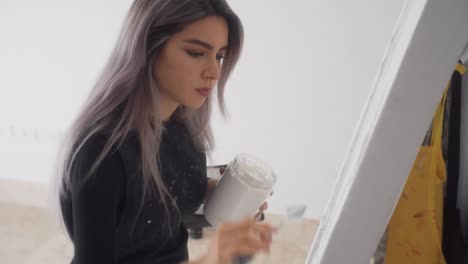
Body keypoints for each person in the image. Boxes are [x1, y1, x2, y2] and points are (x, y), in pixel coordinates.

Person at [53, 0, 275, 263]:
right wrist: (210, 259)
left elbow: (157, 220)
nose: (214, 72)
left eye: (220, 56)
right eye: (195, 53)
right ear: (148, 48)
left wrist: (220, 198)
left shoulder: (181, 128)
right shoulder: (101, 152)